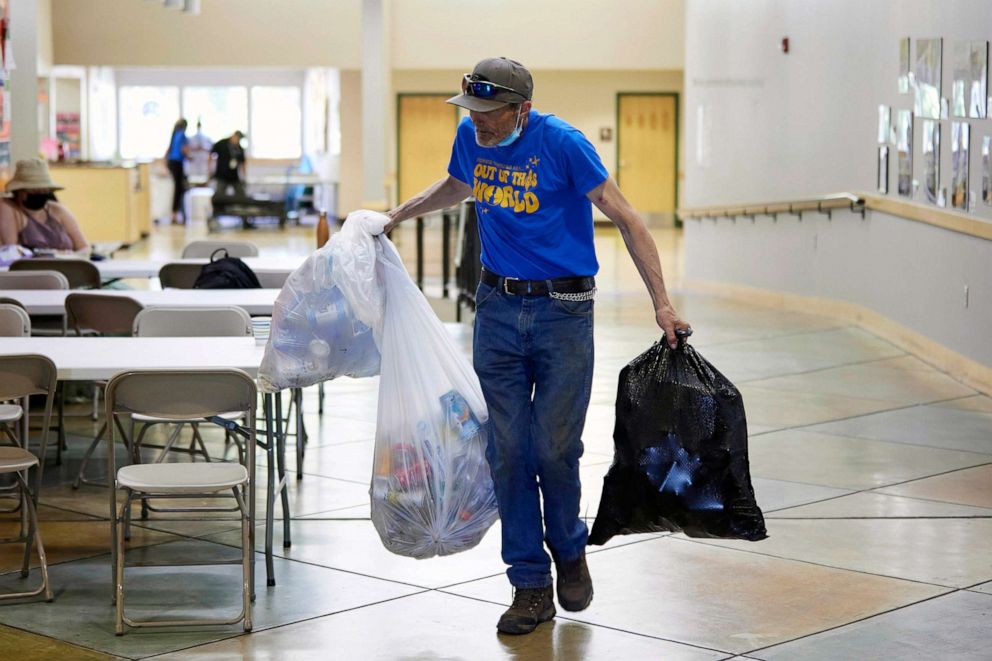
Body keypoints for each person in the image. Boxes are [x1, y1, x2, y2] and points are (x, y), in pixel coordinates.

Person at [384, 57, 691, 635]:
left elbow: (626, 216)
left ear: (521, 108)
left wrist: (662, 303)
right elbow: (458, 182)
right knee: (507, 453)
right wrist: (399, 215)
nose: (478, 123)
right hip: (497, 310)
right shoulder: (470, 136)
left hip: (564, 313)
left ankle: (569, 548)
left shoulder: (563, 144)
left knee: (553, 449)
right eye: (471, 111)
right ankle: (529, 583)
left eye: (489, 113)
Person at [0, 158, 89, 255]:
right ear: (20, 191)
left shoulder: (58, 210)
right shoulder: (9, 208)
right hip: (33, 268)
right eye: (34, 191)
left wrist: (69, 256)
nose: (40, 194)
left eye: (44, 191)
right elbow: (12, 250)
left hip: (66, 266)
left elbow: (84, 247)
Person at [165, 118, 190, 224]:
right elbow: (183, 150)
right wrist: (190, 157)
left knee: (176, 189)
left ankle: (174, 213)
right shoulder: (183, 136)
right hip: (177, 164)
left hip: (171, 163)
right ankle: (176, 213)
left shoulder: (174, 135)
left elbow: (168, 151)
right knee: (179, 189)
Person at [210, 130, 247, 197]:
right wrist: (210, 169)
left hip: (234, 176)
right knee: (219, 195)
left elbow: (242, 163)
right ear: (234, 136)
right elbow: (211, 154)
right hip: (222, 175)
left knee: (241, 194)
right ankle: (219, 207)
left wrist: (244, 176)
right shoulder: (222, 144)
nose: (237, 140)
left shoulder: (239, 148)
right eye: (237, 138)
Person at [186, 119, 213, 185]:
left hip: (203, 162)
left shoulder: (206, 138)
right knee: (193, 178)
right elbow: (187, 148)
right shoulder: (191, 138)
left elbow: (210, 149)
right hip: (194, 162)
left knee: (203, 177)